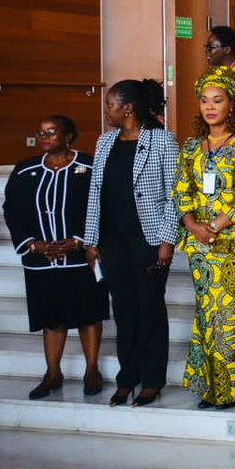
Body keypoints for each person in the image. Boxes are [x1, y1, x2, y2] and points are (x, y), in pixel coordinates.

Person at [174, 66, 235, 409]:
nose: (210, 107)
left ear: (233, 106)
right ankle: (213, 386)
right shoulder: (190, 147)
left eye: (218, 100)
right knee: (208, 316)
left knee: (233, 316)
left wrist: (218, 224)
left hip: (234, 244)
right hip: (200, 246)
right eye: (204, 100)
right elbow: (181, 192)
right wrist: (194, 225)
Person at [84, 80, 180, 408]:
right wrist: (91, 240)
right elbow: (95, 192)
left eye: (109, 104)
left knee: (150, 308)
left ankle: (152, 380)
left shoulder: (163, 141)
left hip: (148, 239)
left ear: (128, 108)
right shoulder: (105, 141)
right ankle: (128, 378)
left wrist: (167, 242)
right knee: (123, 309)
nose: (105, 109)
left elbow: (175, 196)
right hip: (112, 240)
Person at [4, 116, 106, 400]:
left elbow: (103, 206)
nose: (44, 137)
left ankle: (91, 370)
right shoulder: (26, 170)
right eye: (40, 133)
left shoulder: (89, 166)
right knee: (51, 317)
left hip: (80, 258)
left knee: (89, 314)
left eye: (51, 132)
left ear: (68, 136)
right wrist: (32, 244)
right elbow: (12, 210)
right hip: (41, 260)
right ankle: (52, 373)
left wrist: (80, 241)